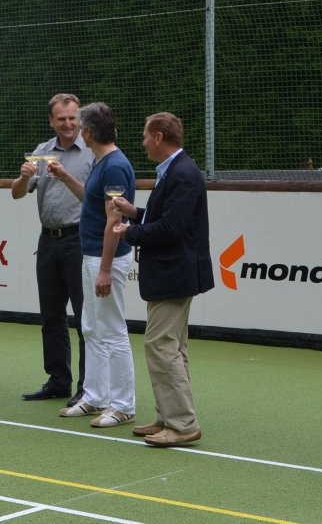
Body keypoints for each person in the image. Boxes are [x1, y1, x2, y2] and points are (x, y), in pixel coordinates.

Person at [112, 112, 213, 447]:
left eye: (145, 136)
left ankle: (182, 424)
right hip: (173, 273)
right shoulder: (176, 170)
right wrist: (134, 213)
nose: (142, 143)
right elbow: (167, 219)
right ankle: (169, 417)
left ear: (158, 137)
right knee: (172, 347)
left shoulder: (182, 173)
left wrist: (128, 232)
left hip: (175, 273)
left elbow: (172, 228)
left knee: (160, 345)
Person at [57, 102, 136, 428]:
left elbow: (113, 222)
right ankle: (95, 397)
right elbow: (91, 199)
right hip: (92, 255)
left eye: (80, 126)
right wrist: (64, 177)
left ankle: (123, 406)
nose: (76, 130)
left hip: (107, 260)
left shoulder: (114, 166)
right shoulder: (102, 162)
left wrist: (104, 269)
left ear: (88, 132)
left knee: (112, 330)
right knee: (91, 327)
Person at [12, 93, 93, 407]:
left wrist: (66, 176)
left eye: (73, 118)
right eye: (62, 119)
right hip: (47, 241)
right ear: (51, 121)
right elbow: (17, 193)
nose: (68, 124)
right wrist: (23, 177)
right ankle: (58, 381)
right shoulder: (42, 151)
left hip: (79, 241)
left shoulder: (92, 152)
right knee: (51, 316)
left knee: (85, 318)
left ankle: (88, 388)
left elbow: (96, 200)